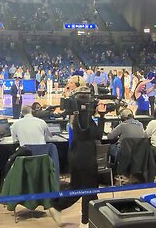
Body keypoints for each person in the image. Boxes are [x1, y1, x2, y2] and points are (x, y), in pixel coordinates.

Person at [49, 75, 107, 228]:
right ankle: (83, 220)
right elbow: (98, 135)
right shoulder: (82, 118)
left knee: (81, 188)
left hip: (78, 153)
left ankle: (60, 208)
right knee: (87, 189)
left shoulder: (79, 117)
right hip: (84, 156)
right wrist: (101, 116)